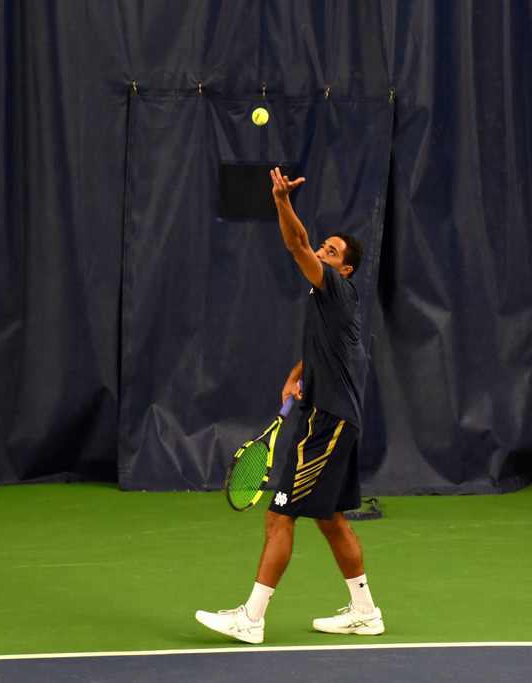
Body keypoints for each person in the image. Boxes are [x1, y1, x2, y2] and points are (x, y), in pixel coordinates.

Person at [195, 167, 383, 644]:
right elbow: (342, 352)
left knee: (279, 515)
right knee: (329, 516)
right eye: (324, 247)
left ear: (344, 270)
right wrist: (298, 374)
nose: (320, 252)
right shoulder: (331, 304)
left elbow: (296, 243)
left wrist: (281, 201)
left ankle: (251, 619)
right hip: (336, 417)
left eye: (331, 252)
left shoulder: (335, 287)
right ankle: (365, 612)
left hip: (328, 422)